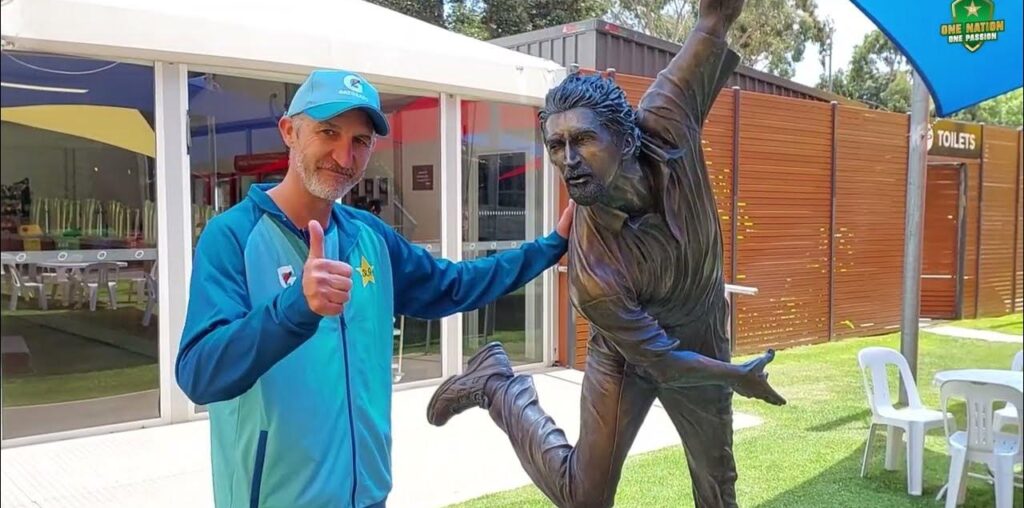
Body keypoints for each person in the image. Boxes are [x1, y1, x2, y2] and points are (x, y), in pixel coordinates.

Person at [426, 1, 785, 507]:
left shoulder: (667, 121)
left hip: (701, 334)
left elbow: (711, 23)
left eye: (582, 140)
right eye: (555, 146)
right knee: (583, 498)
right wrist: (735, 376)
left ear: (625, 135)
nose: (567, 161)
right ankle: (499, 386)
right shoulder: (593, 273)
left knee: (717, 486)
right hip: (627, 356)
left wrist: (718, 14)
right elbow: (660, 360)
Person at [175, 68, 575, 508]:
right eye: (328, 132)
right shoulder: (232, 237)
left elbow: (454, 285)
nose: (344, 156)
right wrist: (294, 308)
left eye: (360, 141)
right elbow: (199, 374)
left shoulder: (370, 237)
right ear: (290, 131)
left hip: (369, 497)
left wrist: (549, 247)